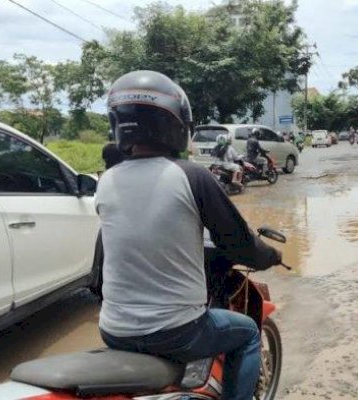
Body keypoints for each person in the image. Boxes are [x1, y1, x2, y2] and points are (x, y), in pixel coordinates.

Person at [96, 70, 281, 400]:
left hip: (113, 330)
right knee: (248, 333)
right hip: (177, 333)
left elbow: (110, 254)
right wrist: (272, 256)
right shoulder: (191, 175)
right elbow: (240, 245)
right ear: (177, 124)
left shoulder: (107, 182)